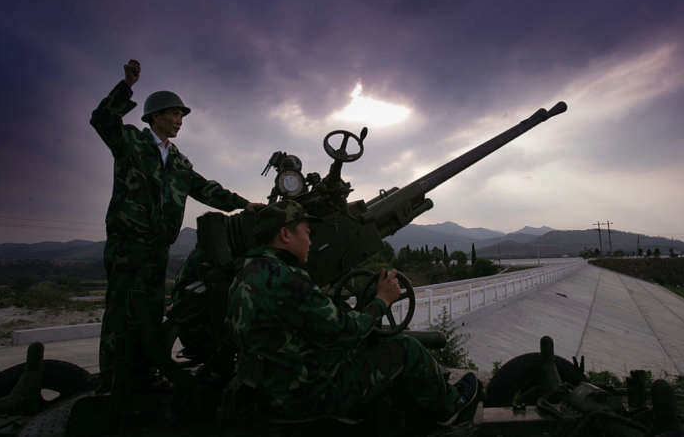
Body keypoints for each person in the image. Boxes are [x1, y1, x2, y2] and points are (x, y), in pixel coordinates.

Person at [91, 59, 264, 391]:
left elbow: (207, 189)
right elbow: (101, 120)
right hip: (129, 245)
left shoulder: (180, 162)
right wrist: (126, 86)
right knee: (121, 313)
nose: (179, 120)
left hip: (158, 248)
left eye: (181, 115)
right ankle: (114, 383)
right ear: (155, 116)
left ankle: (142, 377)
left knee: (150, 316)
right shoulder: (131, 143)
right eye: (173, 114)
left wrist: (244, 204)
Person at [226, 200, 479, 426]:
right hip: (309, 396)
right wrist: (382, 301)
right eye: (307, 232)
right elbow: (345, 332)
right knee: (406, 349)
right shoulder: (286, 279)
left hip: (271, 392)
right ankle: (448, 407)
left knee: (367, 347)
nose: (311, 241)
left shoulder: (245, 276)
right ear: (285, 234)